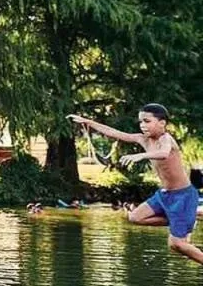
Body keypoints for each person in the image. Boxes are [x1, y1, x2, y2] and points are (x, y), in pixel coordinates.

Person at [69, 106, 203, 265]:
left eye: (147, 121)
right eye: (141, 122)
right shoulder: (143, 139)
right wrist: (88, 122)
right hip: (164, 195)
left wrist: (141, 155)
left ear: (162, 123)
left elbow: (164, 153)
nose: (142, 125)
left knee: (176, 244)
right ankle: (185, 219)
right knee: (135, 217)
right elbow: (115, 133)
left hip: (182, 196)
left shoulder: (166, 139)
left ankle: (184, 219)